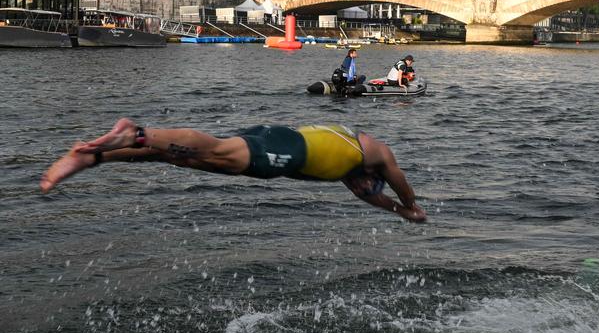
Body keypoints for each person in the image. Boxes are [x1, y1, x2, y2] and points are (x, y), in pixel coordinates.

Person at [40, 119, 427, 222]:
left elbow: (374, 196)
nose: (362, 189)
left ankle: (93, 158)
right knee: (216, 150)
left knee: (182, 157)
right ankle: (137, 132)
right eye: (365, 185)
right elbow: (396, 179)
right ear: (368, 173)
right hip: (285, 147)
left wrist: (396, 211)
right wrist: (411, 205)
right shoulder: (373, 151)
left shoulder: (349, 169)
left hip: (278, 146)